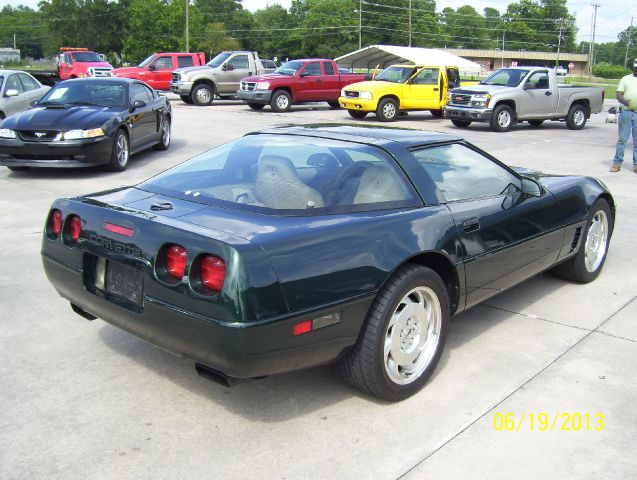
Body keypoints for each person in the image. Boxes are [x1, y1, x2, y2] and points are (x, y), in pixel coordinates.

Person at [610, 59, 637, 173]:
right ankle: (617, 163)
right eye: (635, 67)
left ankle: (636, 165)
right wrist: (624, 101)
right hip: (626, 112)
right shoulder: (626, 78)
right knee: (622, 140)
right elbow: (618, 94)